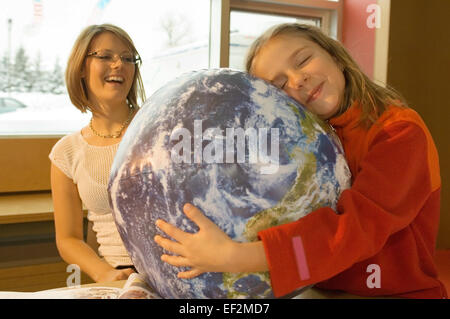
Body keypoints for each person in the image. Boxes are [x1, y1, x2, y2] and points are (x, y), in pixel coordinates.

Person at [153, 23, 447, 299]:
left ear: (335, 55)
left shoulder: (400, 131)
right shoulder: (303, 144)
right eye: (279, 86)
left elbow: (355, 229)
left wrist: (234, 257)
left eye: (303, 60)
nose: (297, 80)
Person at [49, 24, 146, 283]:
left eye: (128, 58)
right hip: (117, 275)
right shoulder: (66, 152)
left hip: (175, 269)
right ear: (81, 67)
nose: (118, 64)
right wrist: (103, 272)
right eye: (105, 56)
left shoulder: (158, 129)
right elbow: (68, 239)